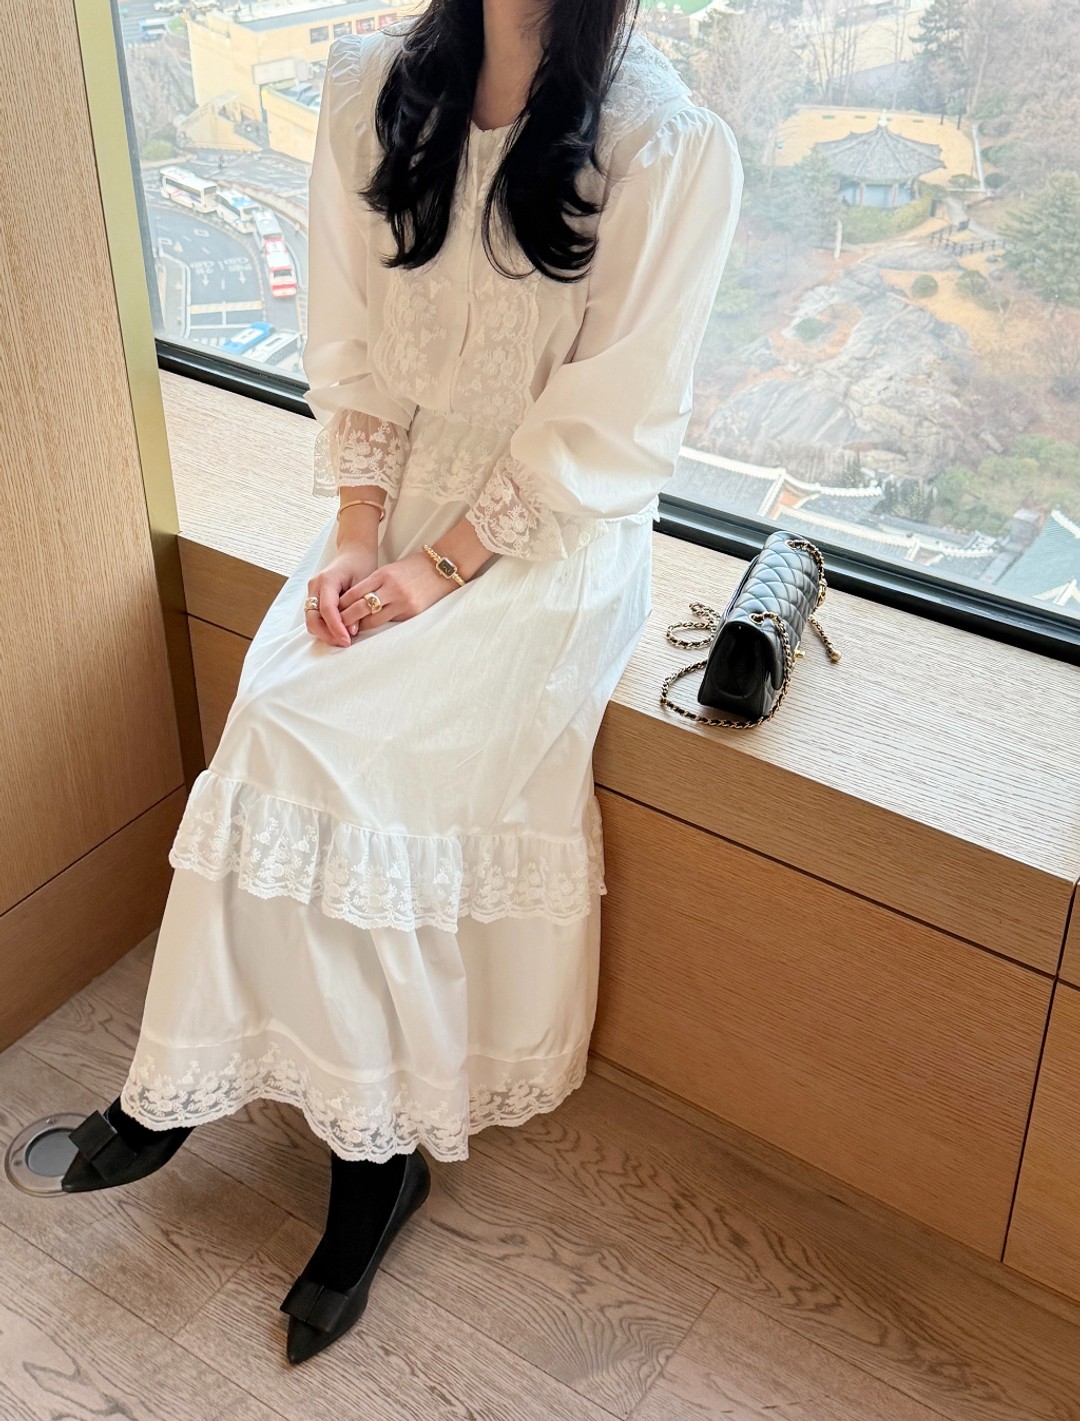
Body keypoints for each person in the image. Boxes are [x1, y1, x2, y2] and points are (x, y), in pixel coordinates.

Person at [58, 0, 743, 1367]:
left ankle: (368, 1166)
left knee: (333, 757)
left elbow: (616, 424)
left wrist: (442, 566)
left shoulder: (662, 144)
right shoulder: (376, 87)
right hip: (401, 505)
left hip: (547, 540)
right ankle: (196, 1085)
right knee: (278, 717)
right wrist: (361, 531)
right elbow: (352, 336)